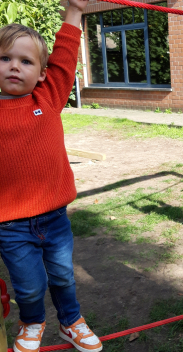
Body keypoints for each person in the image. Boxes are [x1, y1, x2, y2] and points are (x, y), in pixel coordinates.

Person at [0, 1, 103, 351]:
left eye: (26, 61)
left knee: (63, 276)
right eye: (5, 59)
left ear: (42, 73)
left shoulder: (49, 95)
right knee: (28, 285)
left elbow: (65, 56)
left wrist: (74, 10)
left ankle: (70, 321)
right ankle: (32, 323)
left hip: (55, 219)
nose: (15, 66)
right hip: (10, 226)